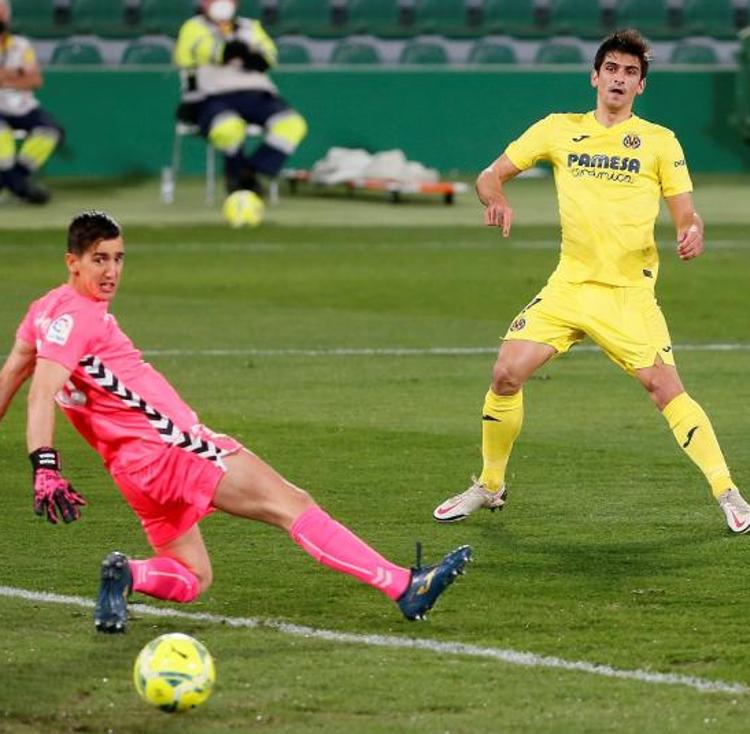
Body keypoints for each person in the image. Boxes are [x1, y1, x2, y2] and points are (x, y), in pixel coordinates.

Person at [0, 211, 471, 633]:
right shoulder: (80, 318)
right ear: (72, 261)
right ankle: (404, 587)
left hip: (132, 472)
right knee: (292, 504)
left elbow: (12, 378)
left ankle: (129, 574)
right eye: (99, 259)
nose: (112, 272)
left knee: (193, 576)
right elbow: (41, 392)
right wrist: (45, 465)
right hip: (173, 449)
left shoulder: (43, 311)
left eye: (119, 258)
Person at [432, 29, 749, 534]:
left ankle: (728, 492)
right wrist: (496, 198)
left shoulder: (660, 142)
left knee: (664, 387)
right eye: (613, 70)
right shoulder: (559, 129)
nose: (620, 80)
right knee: (505, 373)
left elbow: (688, 214)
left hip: (627, 293)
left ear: (641, 86)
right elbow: (489, 175)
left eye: (631, 73)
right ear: (595, 76)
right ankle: (490, 487)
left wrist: (691, 234)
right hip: (569, 287)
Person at [174, 0, 307, 197]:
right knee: (228, 127)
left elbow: (268, 56)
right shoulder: (193, 27)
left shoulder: (250, 26)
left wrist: (249, 54)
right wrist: (235, 49)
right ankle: (236, 177)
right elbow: (206, 50)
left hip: (256, 94)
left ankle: (249, 172)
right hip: (211, 97)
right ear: (203, 4)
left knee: (292, 124)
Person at [0, 0, 64, 204]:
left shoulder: (21, 45)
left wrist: (6, 76)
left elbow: (35, 80)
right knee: (2, 140)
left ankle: (13, 182)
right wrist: (18, 74)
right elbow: (24, 77)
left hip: (23, 107)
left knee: (51, 132)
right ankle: (22, 189)